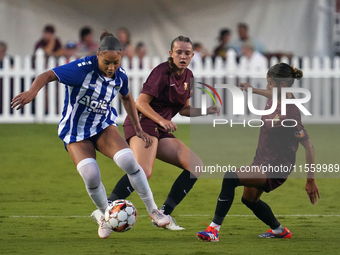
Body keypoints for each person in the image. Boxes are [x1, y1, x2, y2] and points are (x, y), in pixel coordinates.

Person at [11, 30, 170, 239]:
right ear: (98, 55)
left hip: (103, 126)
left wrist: (139, 129)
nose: (112, 67)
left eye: (116, 62)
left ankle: (153, 211)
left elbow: (127, 98)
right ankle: (106, 215)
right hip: (76, 132)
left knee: (130, 162)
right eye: (107, 62)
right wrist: (32, 92)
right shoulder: (81, 69)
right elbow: (47, 75)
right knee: (91, 175)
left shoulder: (120, 75)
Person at [92, 35, 220, 230]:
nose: (183, 56)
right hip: (143, 124)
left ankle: (164, 214)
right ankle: (104, 213)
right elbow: (140, 102)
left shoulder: (189, 76)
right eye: (179, 52)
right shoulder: (161, 72)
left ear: (193, 55)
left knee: (195, 166)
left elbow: (184, 109)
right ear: (171, 54)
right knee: (143, 171)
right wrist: (162, 120)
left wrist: (206, 110)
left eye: (187, 53)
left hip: (161, 128)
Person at [196, 63, 320, 242]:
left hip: (277, 166)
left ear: (282, 85)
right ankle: (279, 230)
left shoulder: (291, 113)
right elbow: (271, 94)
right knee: (249, 200)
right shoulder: (276, 96)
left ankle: (213, 229)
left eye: (269, 83)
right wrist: (253, 90)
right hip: (262, 159)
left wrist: (310, 180)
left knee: (230, 177)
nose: (267, 86)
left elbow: (309, 146)